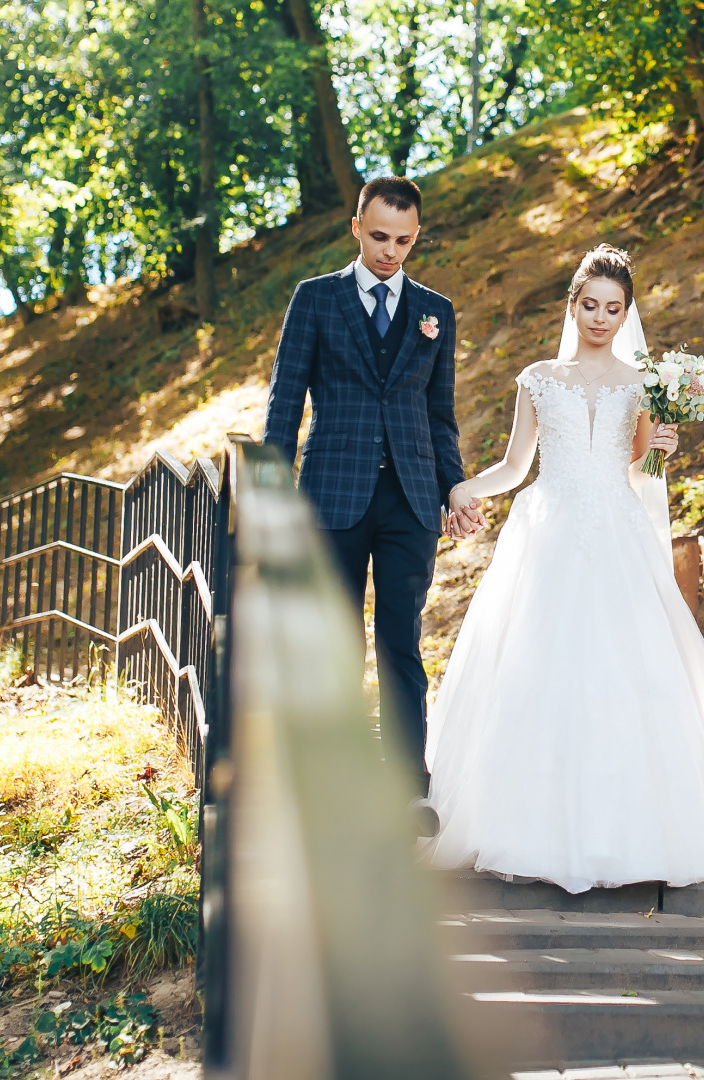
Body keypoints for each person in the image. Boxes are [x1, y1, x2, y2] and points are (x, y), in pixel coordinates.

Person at [424, 244, 704, 891]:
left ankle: (636, 835)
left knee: (630, 673)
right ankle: (530, 831)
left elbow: (641, 469)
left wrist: (662, 444)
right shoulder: (537, 379)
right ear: (573, 305)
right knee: (541, 672)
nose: (600, 318)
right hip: (549, 529)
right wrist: (465, 488)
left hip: (615, 531)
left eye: (613, 309)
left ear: (625, 314)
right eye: (590, 305)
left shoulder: (641, 386)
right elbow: (515, 466)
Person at [262, 176, 484, 810]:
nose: (391, 251)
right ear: (356, 226)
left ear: (417, 237)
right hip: (331, 493)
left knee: (400, 640)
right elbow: (285, 403)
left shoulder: (434, 309)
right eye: (381, 236)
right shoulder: (314, 300)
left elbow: (440, 415)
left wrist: (453, 487)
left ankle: (408, 785)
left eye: (405, 240)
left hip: (411, 500)